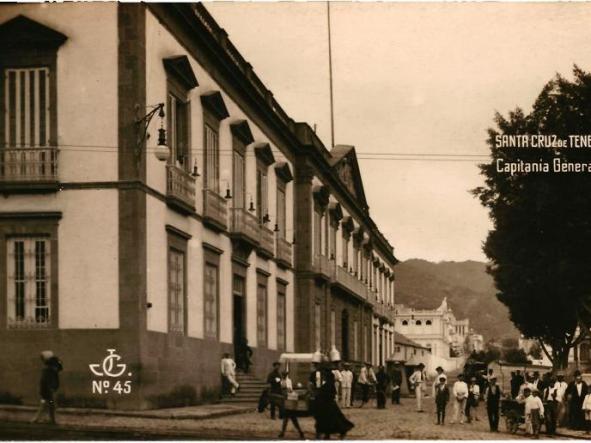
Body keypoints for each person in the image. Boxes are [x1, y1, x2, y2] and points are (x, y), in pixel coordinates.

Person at [313, 368, 354, 439]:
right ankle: (327, 434)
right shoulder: (328, 384)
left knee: (332, 421)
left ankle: (334, 432)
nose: (324, 377)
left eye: (325, 376)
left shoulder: (328, 384)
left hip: (328, 406)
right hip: (329, 405)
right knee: (330, 421)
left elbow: (328, 394)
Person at [31, 351, 62, 425]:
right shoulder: (50, 371)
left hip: (47, 391)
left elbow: (46, 382)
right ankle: (48, 420)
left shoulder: (48, 371)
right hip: (49, 392)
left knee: (47, 405)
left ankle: (40, 419)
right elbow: (48, 382)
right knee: (49, 405)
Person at [278, 370, 305, 439]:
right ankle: (299, 432)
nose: (284, 375)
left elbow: (290, 389)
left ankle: (283, 432)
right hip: (284, 397)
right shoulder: (281, 381)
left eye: (285, 374)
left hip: (288, 398)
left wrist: (287, 390)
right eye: (283, 374)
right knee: (288, 417)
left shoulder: (288, 381)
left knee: (288, 416)